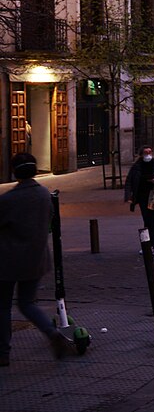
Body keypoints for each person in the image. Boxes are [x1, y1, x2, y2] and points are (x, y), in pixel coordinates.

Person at [0, 153, 68, 367]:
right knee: (27, 303)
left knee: (2, 306)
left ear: (15, 172)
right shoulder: (44, 195)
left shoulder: (8, 200)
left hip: (8, 260)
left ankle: (3, 352)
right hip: (36, 258)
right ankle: (52, 332)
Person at [124, 146, 154, 256]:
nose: (148, 155)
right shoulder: (136, 166)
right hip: (143, 196)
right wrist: (128, 196)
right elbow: (129, 181)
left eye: (150, 152)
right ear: (141, 154)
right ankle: (147, 244)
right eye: (146, 153)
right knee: (147, 220)